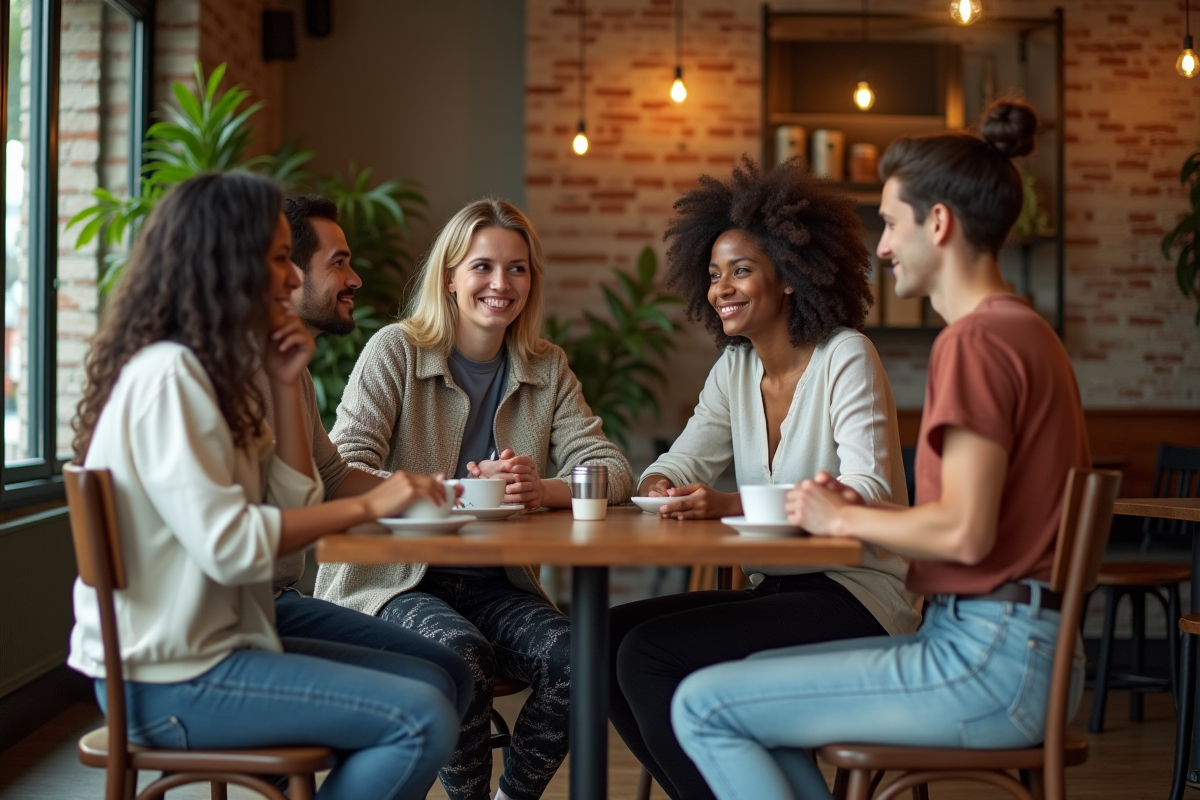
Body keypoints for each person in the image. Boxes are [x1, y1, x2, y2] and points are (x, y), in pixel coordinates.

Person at [671, 99, 1091, 800]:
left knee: (702, 703)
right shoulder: (1027, 331)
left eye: (892, 223)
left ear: (939, 223)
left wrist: (842, 517)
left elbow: (962, 528)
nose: (884, 246)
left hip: (990, 658)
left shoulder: (975, 342)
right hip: (1019, 647)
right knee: (719, 700)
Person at [67, 173, 460, 800]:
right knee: (421, 717)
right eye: (279, 258)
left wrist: (283, 385)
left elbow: (295, 503)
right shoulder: (172, 376)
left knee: (442, 681)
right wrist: (369, 502)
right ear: (229, 262)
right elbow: (232, 545)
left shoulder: (216, 371)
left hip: (220, 645)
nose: (290, 277)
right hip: (172, 678)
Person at [607, 157, 919, 800]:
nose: (721, 287)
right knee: (603, 639)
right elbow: (682, 459)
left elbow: (875, 494)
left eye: (741, 270)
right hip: (776, 589)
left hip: (856, 599)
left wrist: (726, 503)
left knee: (648, 655)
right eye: (715, 273)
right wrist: (665, 483)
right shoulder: (734, 370)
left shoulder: (846, 357)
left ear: (792, 277)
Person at [315, 197, 634, 800]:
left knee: (581, 658)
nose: (501, 283)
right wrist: (456, 491)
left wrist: (544, 487)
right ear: (451, 278)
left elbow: (611, 469)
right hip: (392, 582)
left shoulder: (546, 367)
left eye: (518, 268)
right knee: (459, 654)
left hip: (495, 585)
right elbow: (343, 467)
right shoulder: (396, 351)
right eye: (483, 266)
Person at [264, 195, 473, 726]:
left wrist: (429, 490)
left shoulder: (291, 374)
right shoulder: (217, 380)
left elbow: (331, 477)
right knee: (425, 703)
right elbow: (238, 534)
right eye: (338, 263)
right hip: (223, 624)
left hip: (271, 603)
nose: (355, 279)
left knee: (451, 675)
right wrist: (379, 501)